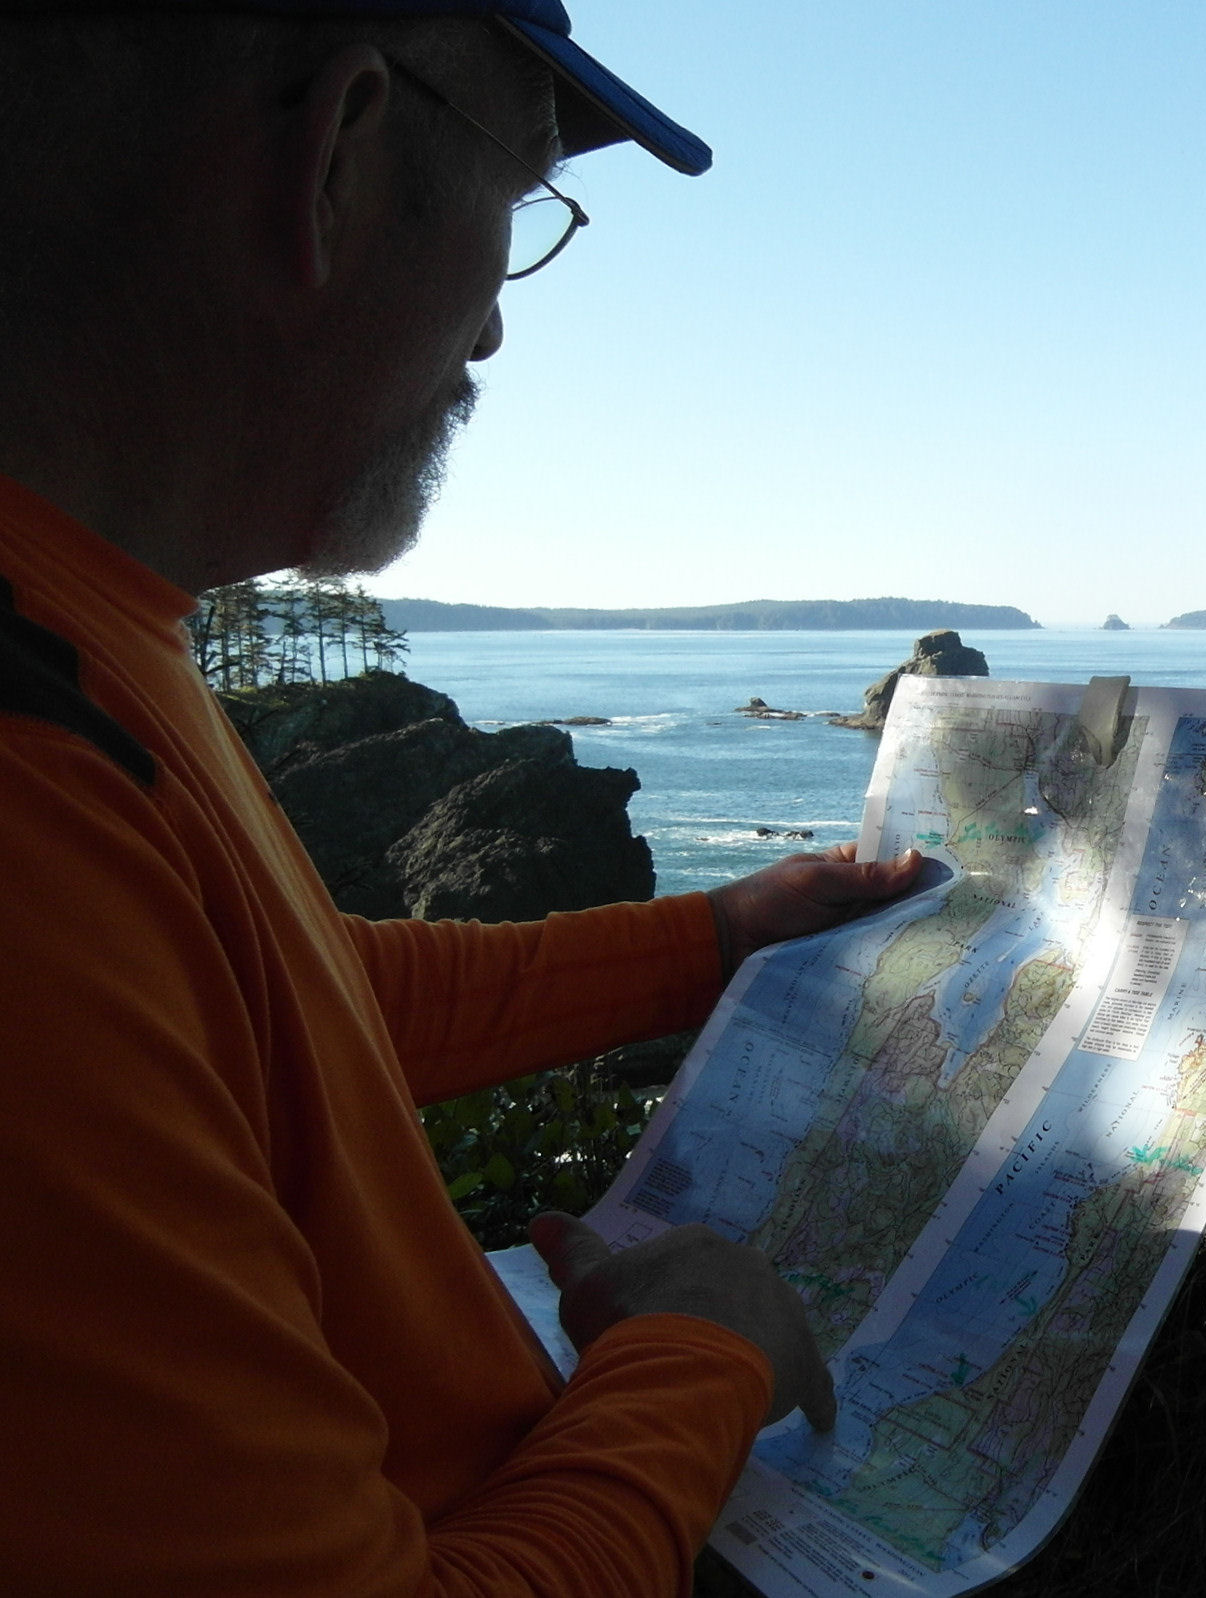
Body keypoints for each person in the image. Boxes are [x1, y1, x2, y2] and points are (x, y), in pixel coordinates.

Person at [0, 3, 920, 1592]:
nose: (493, 331)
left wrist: (712, 935)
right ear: (338, 153)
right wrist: (702, 1352)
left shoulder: (88, 633)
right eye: (521, 210)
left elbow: (277, 1003)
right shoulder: (25, 784)